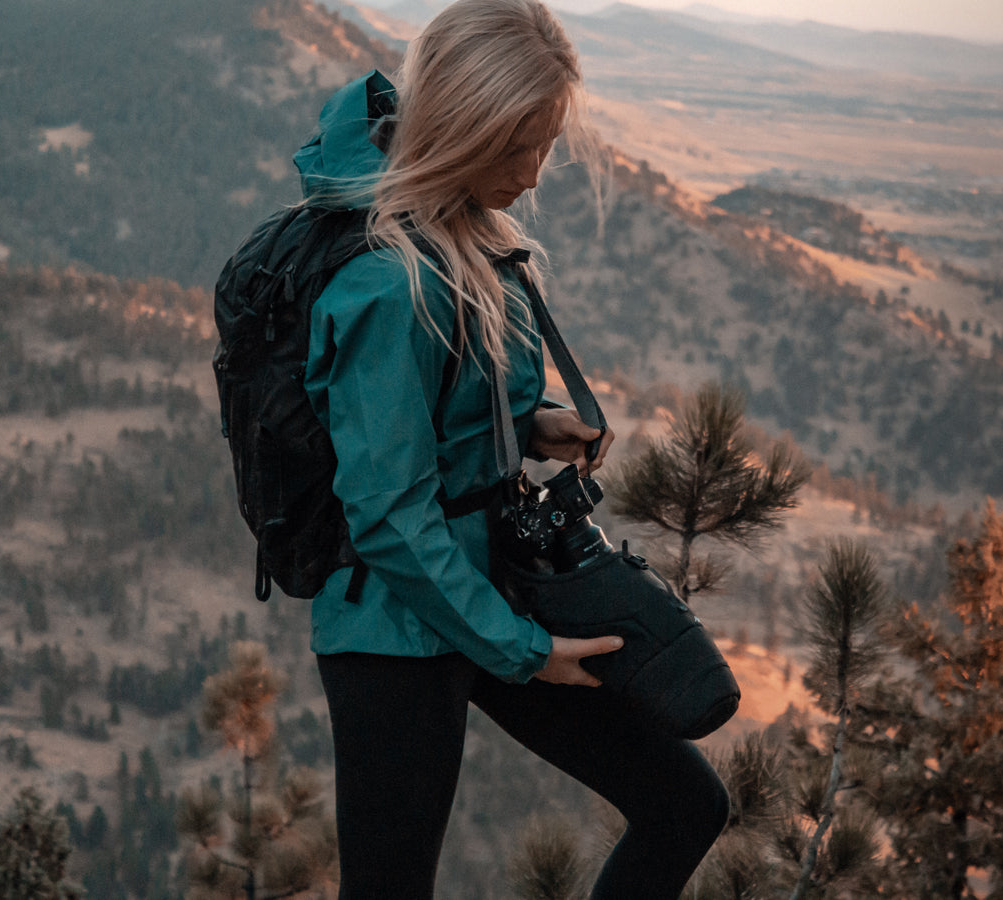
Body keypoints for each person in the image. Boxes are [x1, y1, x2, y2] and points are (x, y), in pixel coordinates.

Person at [292, 0, 729, 895]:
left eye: (546, 143)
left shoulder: (460, 233)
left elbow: (430, 410)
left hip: (492, 583)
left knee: (686, 805)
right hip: (393, 629)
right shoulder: (384, 281)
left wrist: (529, 426)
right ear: (463, 128)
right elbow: (385, 511)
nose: (533, 174)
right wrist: (528, 652)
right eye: (518, 145)